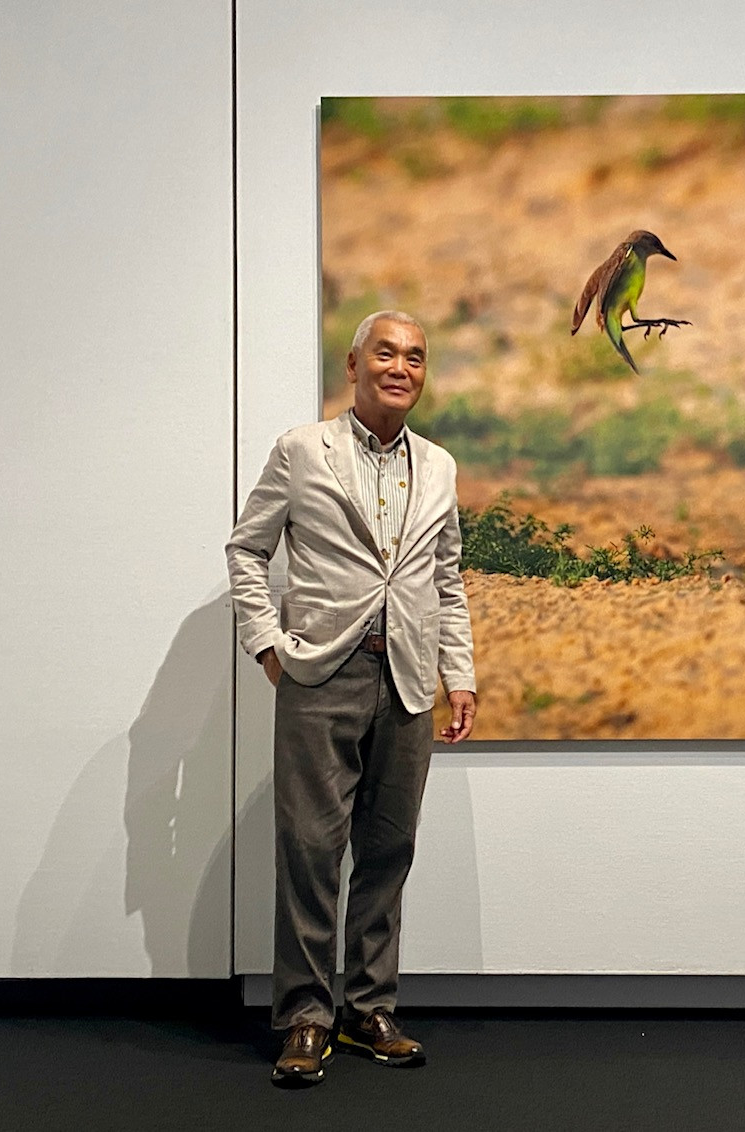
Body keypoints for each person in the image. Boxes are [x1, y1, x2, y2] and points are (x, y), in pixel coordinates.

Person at [226, 310, 477, 1088]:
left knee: (387, 849)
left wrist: (457, 671)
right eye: (386, 353)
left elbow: (446, 574)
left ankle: (370, 1007)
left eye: (415, 357)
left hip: (404, 674)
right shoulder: (304, 451)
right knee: (308, 850)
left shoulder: (438, 464)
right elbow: (247, 548)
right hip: (321, 674)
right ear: (354, 363)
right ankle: (304, 1016)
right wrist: (267, 644)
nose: (400, 367)